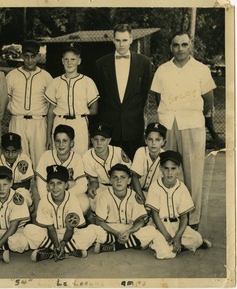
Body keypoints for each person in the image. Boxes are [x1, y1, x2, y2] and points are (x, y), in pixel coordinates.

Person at [150, 31, 216, 230]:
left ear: (190, 47)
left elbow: (209, 99)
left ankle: (192, 221)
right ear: (171, 47)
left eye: (184, 45)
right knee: (167, 171)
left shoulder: (201, 69)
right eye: (176, 45)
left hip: (192, 124)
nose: (180, 49)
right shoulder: (162, 70)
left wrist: (194, 114)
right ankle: (167, 217)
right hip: (168, 124)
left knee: (193, 174)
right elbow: (157, 97)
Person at [94, 24, 152, 160]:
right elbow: (99, 97)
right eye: (118, 40)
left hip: (133, 127)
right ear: (113, 40)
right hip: (109, 128)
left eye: (125, 40)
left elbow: (143, 95)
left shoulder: (144, 63)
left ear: (131, 39)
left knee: (134, 169)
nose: (121, 44)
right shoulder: (101, 64)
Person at [92, 164, 174, 259]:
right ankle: (131, 242)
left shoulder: (134, 195)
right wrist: (116, 233)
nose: (119, 181)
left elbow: (141, 221)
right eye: (115, 177)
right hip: (110, 228)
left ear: (129, 180)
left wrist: (128, 232)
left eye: (123, 177)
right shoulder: (104, 195)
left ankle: (113, 246)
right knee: (92, 230)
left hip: (129, 229)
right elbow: (99, 221)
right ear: (110, 180)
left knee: (151, 230)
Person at [145, 151, 212, 258]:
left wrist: (177, 237)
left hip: (176, 224)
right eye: (166, 168)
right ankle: (170, 246)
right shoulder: (155, 186)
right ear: (160, 168)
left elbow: (184, 217)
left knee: (197, 239)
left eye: (173, 168)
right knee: (163, 253)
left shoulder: (182, 187)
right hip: (160, 226)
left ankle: (176, 246)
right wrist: (168, 237)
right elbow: (155, 215)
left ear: (179, 169)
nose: (169, 172)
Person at [24, 165, 95, 262]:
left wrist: (63, 243)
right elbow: (50, 228)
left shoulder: (72, 199)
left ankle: (53, 252)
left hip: (69, 235)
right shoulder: (44, 201)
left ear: (66, 185)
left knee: (91, 231)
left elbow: (70, 228)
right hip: (50, 236)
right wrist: (56, 244)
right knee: (29, 229)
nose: (55, 187)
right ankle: (66, 250)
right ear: (47, 186)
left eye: (59, 183)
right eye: (51, 183)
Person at [45, 43, 99, 156]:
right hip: (60, 121)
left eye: (73, 59)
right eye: (66, 59)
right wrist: (49, 135)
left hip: (79, 122)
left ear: (79, 61)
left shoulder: (87, 82)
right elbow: (51, 111)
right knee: (59, 157)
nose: (69, 63)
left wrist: (81, 113)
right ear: (62, 61)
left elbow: (94, 109)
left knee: (80, 157)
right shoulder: (55, 82)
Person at [6, 40, 53, 168]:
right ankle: (22, 187)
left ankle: (40, 187)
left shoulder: (46, 77)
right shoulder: (12, 75)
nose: (29, 60)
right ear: (21, 56)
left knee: (40, 160)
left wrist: (49, 133)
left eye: (33, 57)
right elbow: (6, 101)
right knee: (19, 160)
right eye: (26, 56)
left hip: (38, 122)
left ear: (38, 56)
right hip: (18, 120)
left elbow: (51, 106)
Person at [36, 125, 89, 213]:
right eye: (58, 141)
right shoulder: (46, 156)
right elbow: (41, 184)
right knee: (44, 208)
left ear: (72, 143)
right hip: (50, 195)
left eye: (65, 141)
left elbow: (82, 186)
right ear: (54, 142)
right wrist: (48, 199)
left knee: (84, 202)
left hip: (70, 195)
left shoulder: (76, 158)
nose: (61, 145)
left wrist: (64, 196)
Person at [82, 123, 131, 214]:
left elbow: (128, 174)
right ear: (91, 140)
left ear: (109, 140)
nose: (99, 143)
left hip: (121, 185)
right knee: (96, 199)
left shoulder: (118, 151)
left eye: (103, 140)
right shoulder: (87, 156)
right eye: (95, 139)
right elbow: (93, 180)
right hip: (102, 186)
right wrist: (92, 187)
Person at [0, 132, 34, 213]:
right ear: (2, 150)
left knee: (22, 194)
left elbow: (26, 184)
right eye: (7, 151)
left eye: (14, 151)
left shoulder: (24, 159)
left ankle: (23, 221)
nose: (10, 155)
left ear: (20, 150)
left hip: (20, 191)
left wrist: (7, 187)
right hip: (2, 192)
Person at [130, 122, 167, 204]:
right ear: (146, 140)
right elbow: (134, 177)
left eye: (158, 140)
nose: (153, 143)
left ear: (163, 142)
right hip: (137, 191)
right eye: (150, 139)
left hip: (155, 194)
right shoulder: (141, 151)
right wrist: (142, 199)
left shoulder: (165, 157)